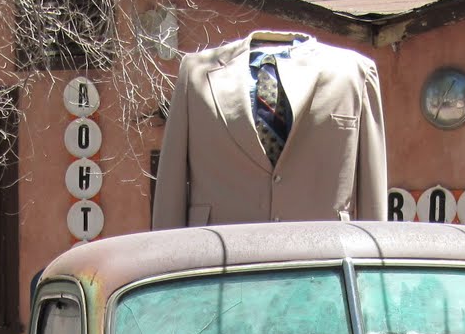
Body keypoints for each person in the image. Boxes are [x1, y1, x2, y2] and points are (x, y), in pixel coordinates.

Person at [151, 31, 386, 229]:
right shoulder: (196, 72)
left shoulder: (354, 73)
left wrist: (376, 271)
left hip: (324, 263)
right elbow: (170, 187)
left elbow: (373, 198)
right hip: (217, 264)